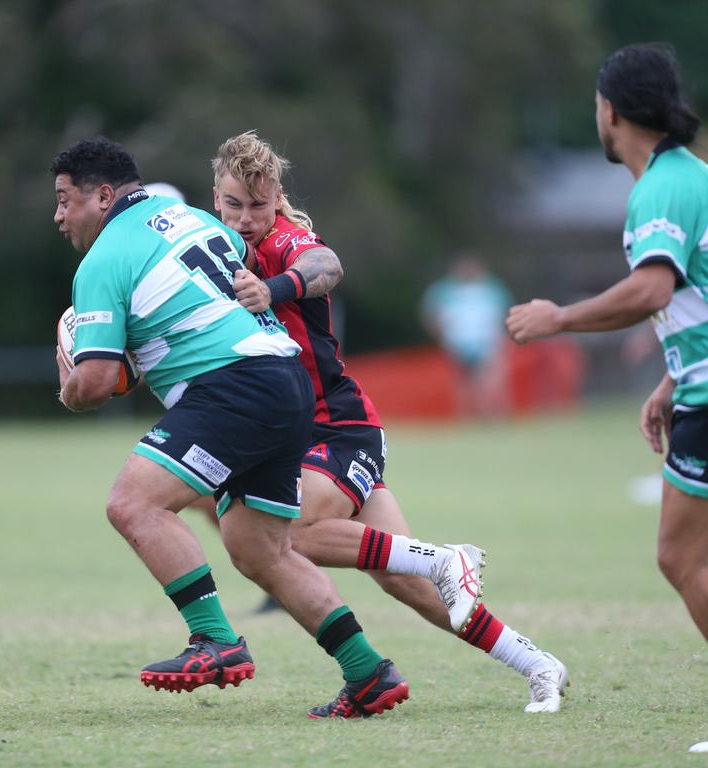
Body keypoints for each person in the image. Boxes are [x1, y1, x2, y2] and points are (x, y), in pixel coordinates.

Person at [52, 136, 415, 719]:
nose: (59, 215)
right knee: (258, 546)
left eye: (65, 199)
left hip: (234, 386)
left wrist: (70, 381)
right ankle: (368, 673)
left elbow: (94, 384)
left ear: (101, 196)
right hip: (285, 378)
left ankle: (214, 641)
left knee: (133, 504)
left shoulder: (102, 261)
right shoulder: (192, 219)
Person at [210, 130, 568, 713]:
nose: (247, 218)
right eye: (233, 204)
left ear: (277, 198)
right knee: (410, 585)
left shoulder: (284, 242)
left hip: (338, 429)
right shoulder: (218, 252)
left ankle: (443, 558)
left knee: (289, 534)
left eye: (258, 204)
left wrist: (271, 290)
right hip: (294, 440)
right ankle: (537, 662)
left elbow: (326, 264)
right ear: (216, 200)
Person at [506, 45, 707, 745]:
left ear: (611, 110)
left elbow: (653, 288)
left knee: (682, 559)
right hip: (698, 387)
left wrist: (560, 317)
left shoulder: (662, 187)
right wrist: (670, 379)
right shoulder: (684, 178)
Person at [421, 253, 513, 418]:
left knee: (490, 381)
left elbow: (505, 313)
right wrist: (443, 336)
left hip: (488, 342)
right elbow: (431, 315)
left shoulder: (492, 288)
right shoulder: (444, 290)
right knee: (463, 383)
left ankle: (494, 416)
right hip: (458, 343)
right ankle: (468, 418)